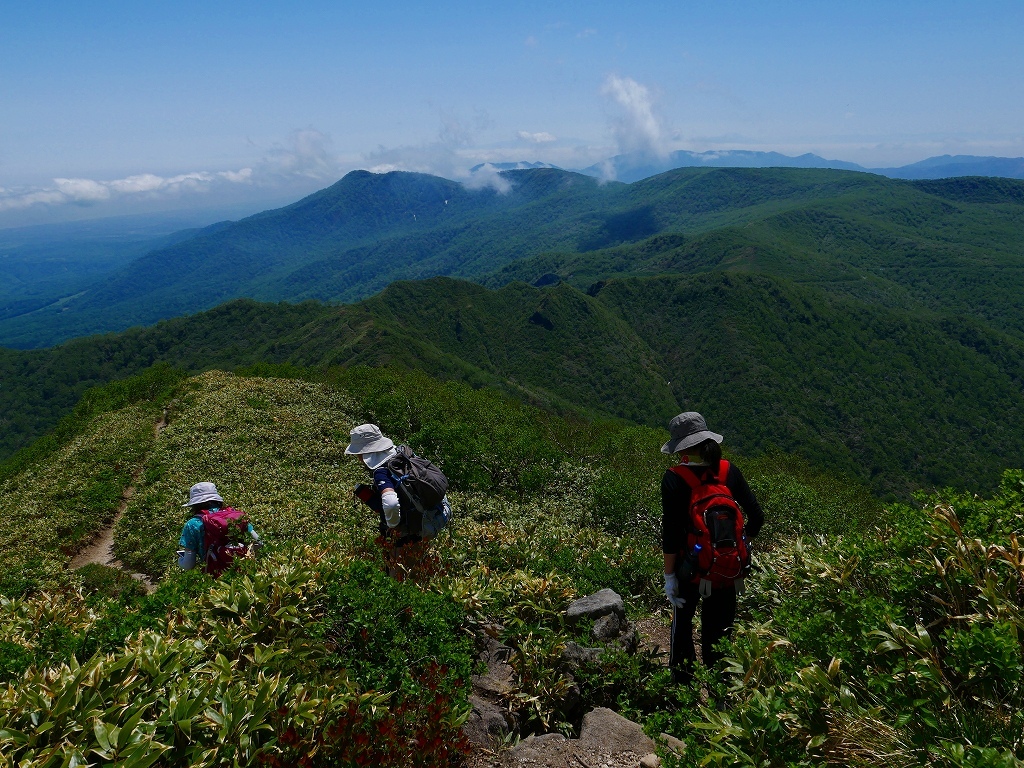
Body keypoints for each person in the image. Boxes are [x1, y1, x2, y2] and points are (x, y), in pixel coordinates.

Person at [660, 412, 763, 685]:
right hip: (726, 571)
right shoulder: (728, 471)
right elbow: (757, 516)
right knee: (719, 636)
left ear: (681, 447)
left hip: (689, 569)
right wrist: (739, 545)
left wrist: (670, 576)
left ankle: (682, 695)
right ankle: (721, 699)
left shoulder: (674, 478)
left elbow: (670, 533)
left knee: (682, 630)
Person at [345, 424, 451, 577]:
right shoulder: (401, 452)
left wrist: (392, 525)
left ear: (365, 452)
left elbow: (391, 502)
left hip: (409, 531)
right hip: (427, 517)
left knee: (398, 576)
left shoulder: (381, 471)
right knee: (419, 565)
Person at [177, 481, 261, 574]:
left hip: (215, 577)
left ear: (194, 504)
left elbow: (188, 565)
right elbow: (259, 542)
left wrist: (180, 561)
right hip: (244, 573)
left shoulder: (193, 524)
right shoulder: (235, 517)